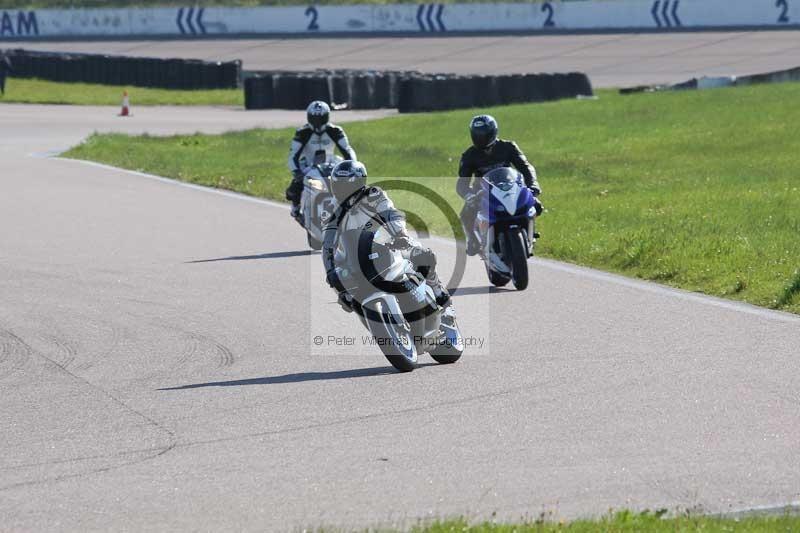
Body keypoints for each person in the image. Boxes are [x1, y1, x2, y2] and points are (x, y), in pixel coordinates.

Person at [321, 160, 450, 310]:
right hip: (354, 254)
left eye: (345, 184)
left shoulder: (373, 194)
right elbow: (328, 243)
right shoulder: (330, 208)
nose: (341, 188)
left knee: (423, 255)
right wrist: (330, 271)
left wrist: (400, 234)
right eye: (338, 183)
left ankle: (436, 289)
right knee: (343, 291)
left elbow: (390, 213)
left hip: (389, 243)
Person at [457, 114, 543, 255]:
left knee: (536, 205)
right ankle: (473, 240)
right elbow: (462, 183)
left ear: (492, 132)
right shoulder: (469, 155)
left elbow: (526, 167)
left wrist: (533, 185)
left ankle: (530, 232)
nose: (481, 138)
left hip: (510, 187)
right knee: (465, 214)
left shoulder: (508, 147)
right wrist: (469, 196)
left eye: (484, 134)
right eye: (477, 135)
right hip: (482, 193)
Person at [286, 100, 357, 222]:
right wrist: (296, 172)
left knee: (353, 182)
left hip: (331, 163)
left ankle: (354, 208)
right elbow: (293, 155)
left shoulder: (335, 130)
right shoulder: (302, 132)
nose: (317, 123)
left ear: (327, 117)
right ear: (309, 117)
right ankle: (296, 207)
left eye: (321, 119)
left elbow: (347, 150)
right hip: (309, 165)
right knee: (293, 189)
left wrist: (353, 166)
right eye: (314, 119)